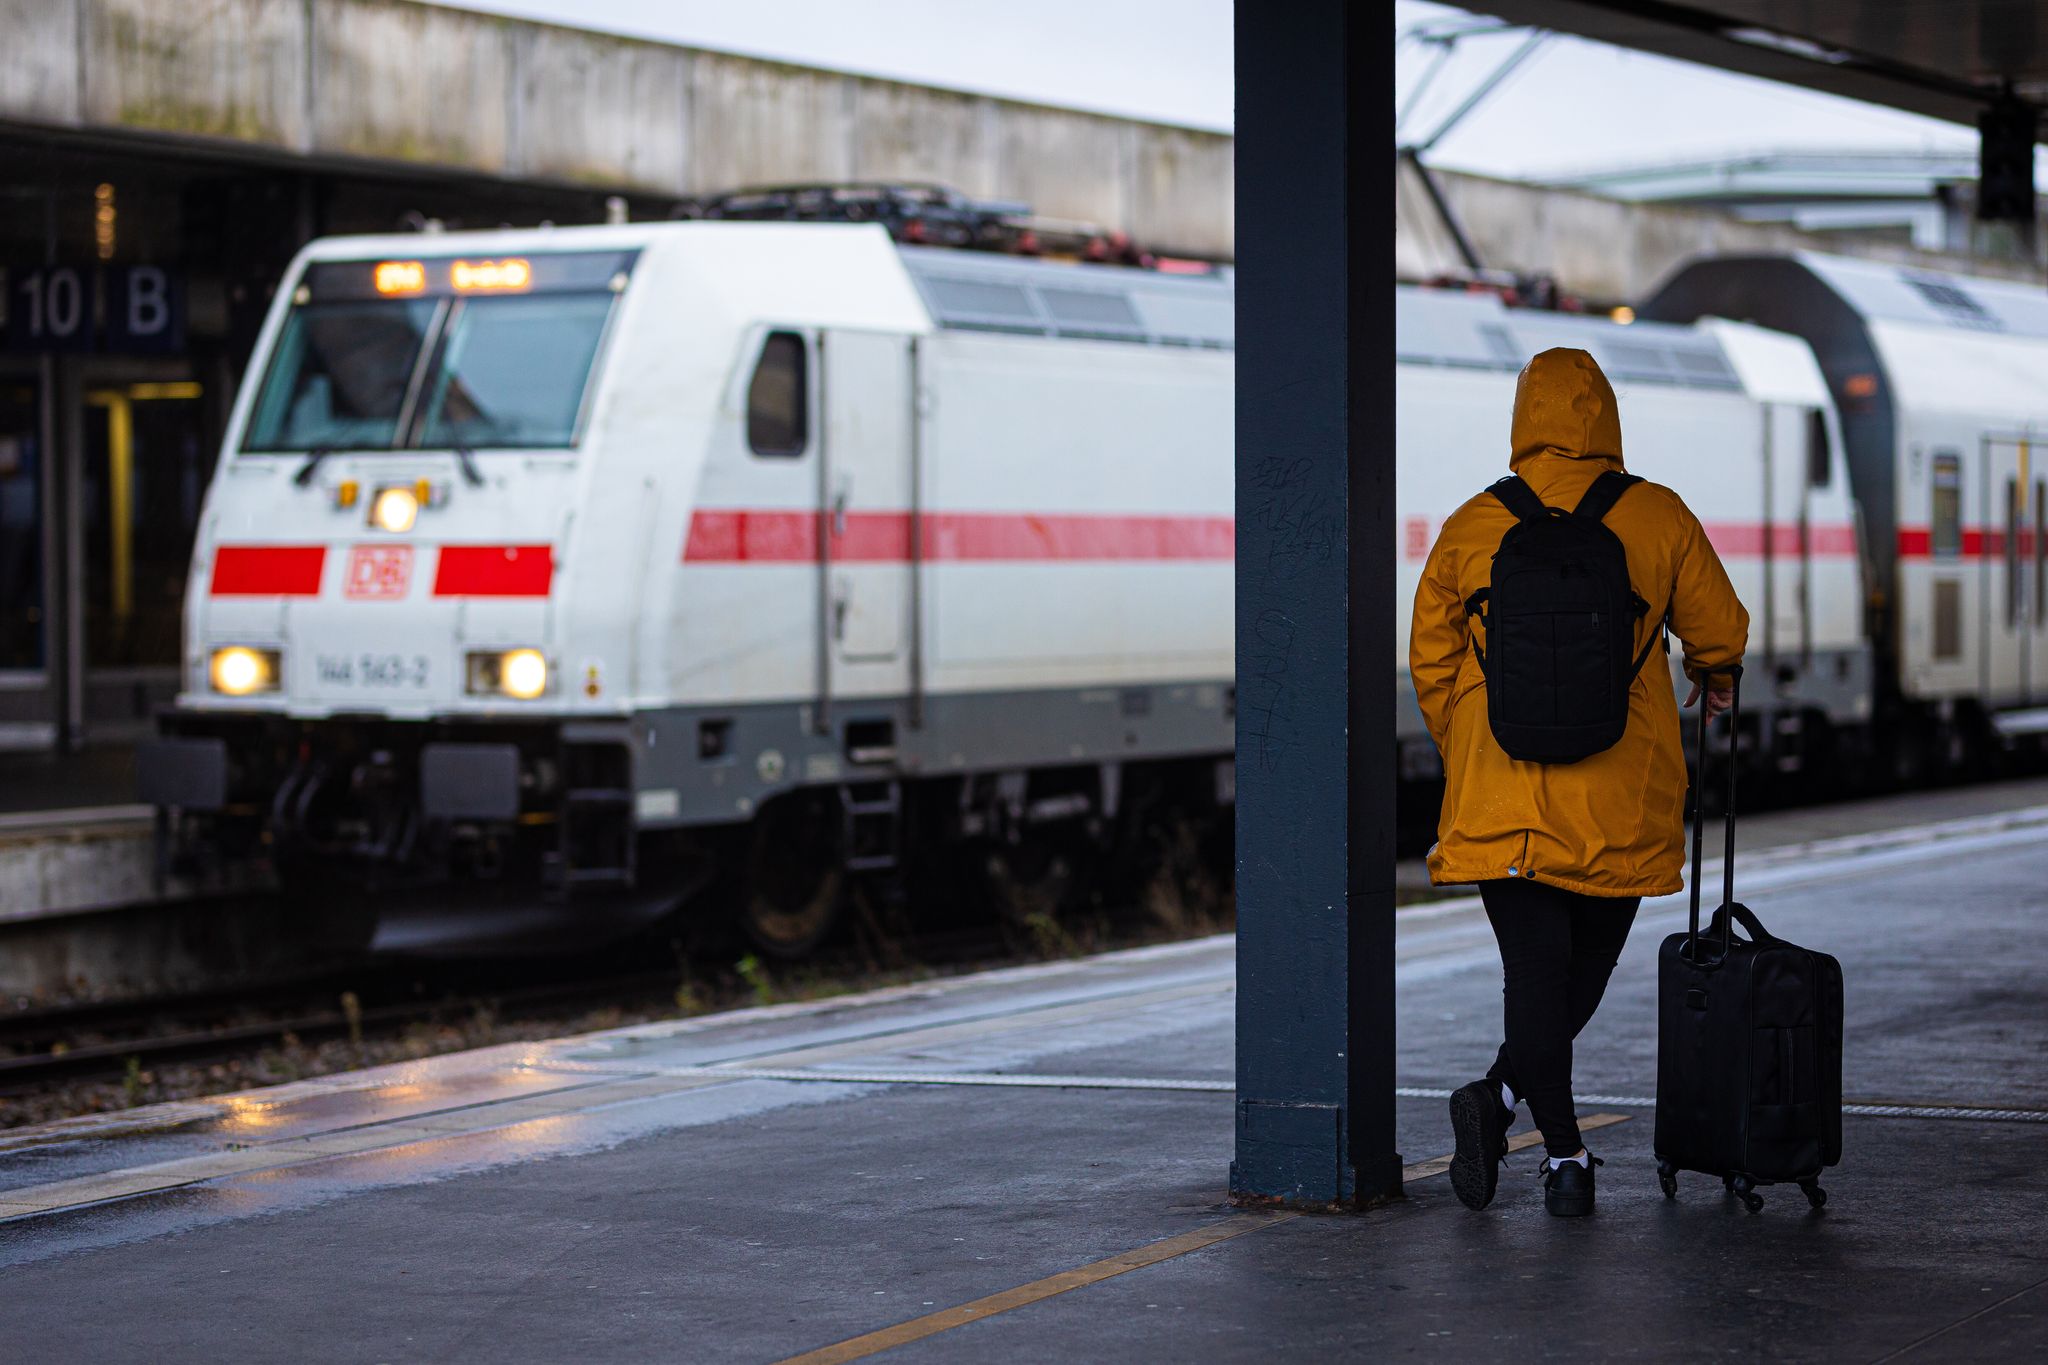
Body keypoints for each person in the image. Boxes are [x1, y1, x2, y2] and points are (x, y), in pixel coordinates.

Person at [1409, 346, 1747, 1218]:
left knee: (1534, 972)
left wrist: (1471, 744)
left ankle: (1525, 1122)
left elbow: (1430, 657)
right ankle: (1554, 1147)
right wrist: (1713, 676)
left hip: (1501, 800)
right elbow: (1722, 633)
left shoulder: (1472, 524)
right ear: (1607, 418)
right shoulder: (1658, 516)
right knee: (1577, 980)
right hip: (1619, 800)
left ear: (1523, 421)